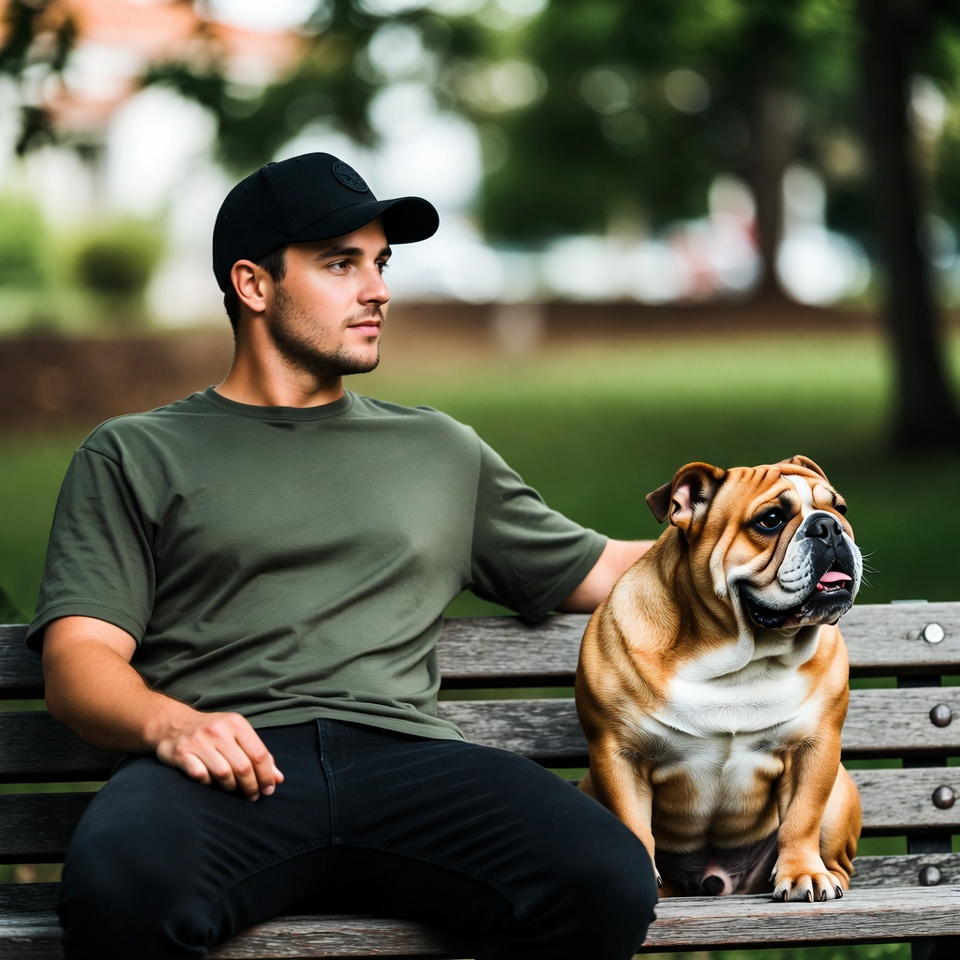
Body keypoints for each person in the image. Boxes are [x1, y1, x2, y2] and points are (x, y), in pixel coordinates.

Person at [26, 152, 658, 960]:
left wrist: (765, 537)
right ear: (253, 285)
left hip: (409, 761)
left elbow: (600, 569)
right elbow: (80, 661)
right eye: (341, 264)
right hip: (223, 766)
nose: (379, 290)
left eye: (381, 263)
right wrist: (171, 726)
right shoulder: (135, 453)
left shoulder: (438, 449)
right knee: (122, 887)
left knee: (603, 877)